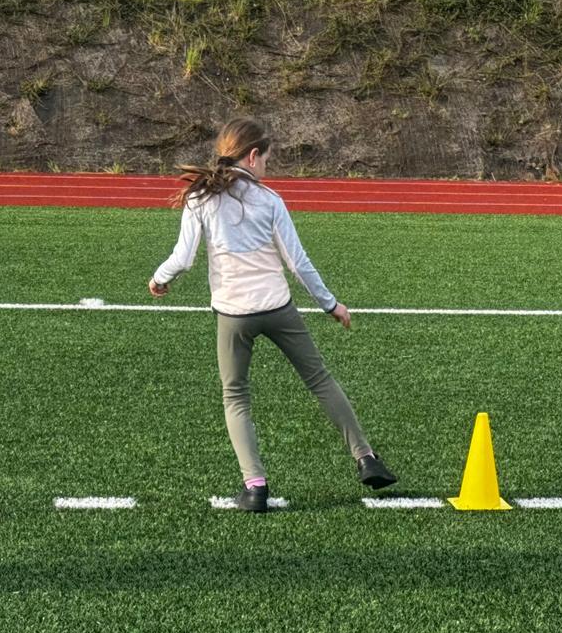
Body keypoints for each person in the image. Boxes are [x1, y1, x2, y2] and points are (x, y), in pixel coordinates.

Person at [148, 118, 397, 512]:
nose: (267, 166)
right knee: (320, 380)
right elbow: (298, 263)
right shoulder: (270, 201)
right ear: (252, 156)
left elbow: (183, 258)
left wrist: (160, 279)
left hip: (233, 315)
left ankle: (255, 487)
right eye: (266, 159)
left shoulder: (200, 197)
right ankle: (366, 458)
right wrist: (330, 304)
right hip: (279, 309)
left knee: (235, 396)